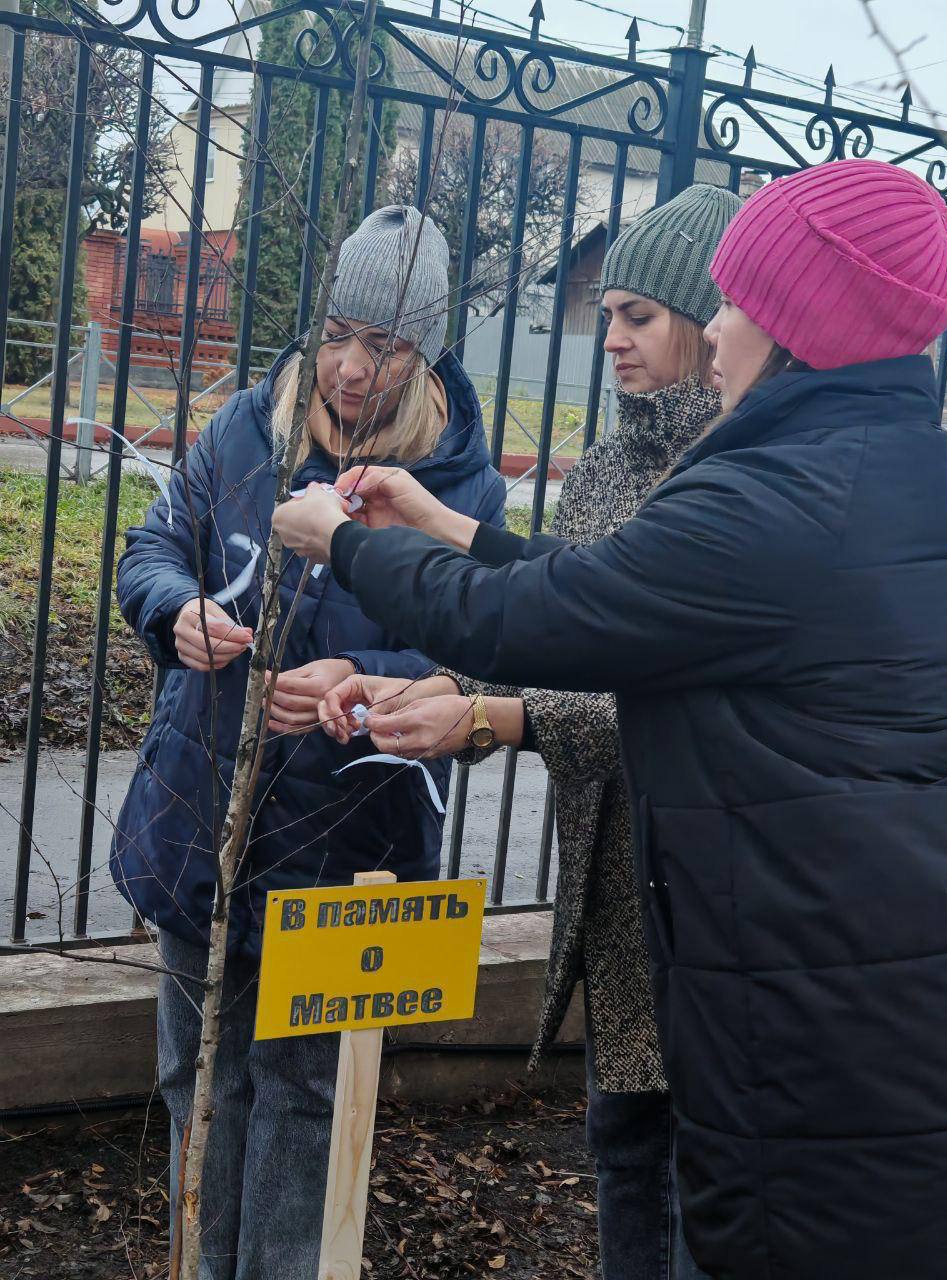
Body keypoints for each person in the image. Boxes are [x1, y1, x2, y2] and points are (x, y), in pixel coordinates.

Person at [274, 161, 947, 1280]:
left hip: (802, 1027)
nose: (720, 322)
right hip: (869, 991)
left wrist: (347, 543)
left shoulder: (772, 497)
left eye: (732, 300)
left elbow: (551, 617)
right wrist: (447, 522)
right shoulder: (899, 474)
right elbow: (624, 586)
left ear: (792, 319)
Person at [311, 184, 740, 1280]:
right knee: (621, 1143)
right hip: (610, 876)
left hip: (697, 889)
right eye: (610, 316)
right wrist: (432, 528)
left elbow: (658, 683)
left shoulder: (730, 483)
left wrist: (488, 717)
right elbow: (565, 600)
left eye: (642, 316)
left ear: (712, 320)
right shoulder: (609, 461)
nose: (617, 340)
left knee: (697, 1174)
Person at [112, 204, 506, 1280]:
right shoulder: (245, 428)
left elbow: (483, 666)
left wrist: (365, 681)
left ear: (425, 351)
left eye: (381, 345)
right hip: (205, 817)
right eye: (336, 332)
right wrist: (174, 608)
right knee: (201, 1073)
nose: (348, 365)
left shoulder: (460, 487)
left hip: (350, 842)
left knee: (302, 1090)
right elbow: (153, 546)